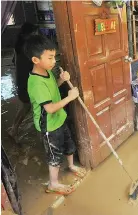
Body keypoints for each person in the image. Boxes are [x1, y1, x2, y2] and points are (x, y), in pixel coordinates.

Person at [24, 35, 86, 195]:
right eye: (50, 57)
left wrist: (61, 80)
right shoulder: (36, 83)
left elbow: (53, 90)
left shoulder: (47, 72)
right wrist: (70, 97)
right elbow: (50, 108)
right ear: (35, 60)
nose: (54, 61)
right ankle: (53, 183)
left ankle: (71, 166)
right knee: (54, 154)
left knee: (69, 144)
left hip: (60, 119)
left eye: (54, 57)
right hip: (49, 126)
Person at [8, 23, 40, 143]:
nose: (36, 35)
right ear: (29, 34)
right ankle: (14, 130)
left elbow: (14, 61)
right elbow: (34, 64)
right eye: (35, 33)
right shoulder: (27, 48)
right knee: (26, 106)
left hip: (21, 79)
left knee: (24, 106)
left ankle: (14, 129)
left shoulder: (19, 45)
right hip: (26, 81)